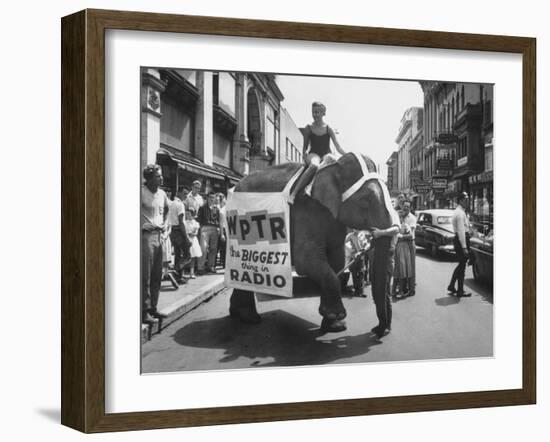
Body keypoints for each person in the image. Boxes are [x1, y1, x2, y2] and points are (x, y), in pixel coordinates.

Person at [289, 101, 346, 202]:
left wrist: (348, 155)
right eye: (313, 112)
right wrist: (305, 156)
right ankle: (294, 193)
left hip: (326, 155)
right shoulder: (308, 128)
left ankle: (310, 187)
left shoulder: (329, 129)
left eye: (317, 112)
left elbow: (338, 147)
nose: (314, 115)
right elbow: (305, 147)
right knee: (314, 165)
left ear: (323, 113)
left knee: (331, 158)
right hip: (314, 154)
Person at [141, 164, 170, 324]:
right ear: (150, 178)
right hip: (145, 236)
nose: (161, 178)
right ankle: (143, 311)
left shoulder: (162, 194)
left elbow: (166, 210)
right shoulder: (140, 192)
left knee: (157, 274)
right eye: (158, 176)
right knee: (145, 275)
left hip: (160, 236)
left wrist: (165, 223)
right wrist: (140, 225)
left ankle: (153, 307)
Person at [370, 223, 400, 338]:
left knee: (384, 294)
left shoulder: (392, 221)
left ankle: (386, 324)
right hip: (379, 260)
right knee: (380, 294)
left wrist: (379, 233)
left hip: (387, 260)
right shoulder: (384, 223)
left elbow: (397, 229)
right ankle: (384, 323)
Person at [448, 192, 472, 297]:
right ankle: (459, 290)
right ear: (461, 200)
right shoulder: (459, 213)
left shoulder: (460, 212)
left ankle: (453, 286)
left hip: (460, 239)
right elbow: (461, 231)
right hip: (461, 240)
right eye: (466, 200)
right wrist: (464, 247)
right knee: (462, 266)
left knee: (461, 265)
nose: (467, 202)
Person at [167, 188, 191, 284]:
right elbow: (181, 222)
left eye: (187, 194)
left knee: (178, 254)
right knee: (187, 256)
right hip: (179, 231)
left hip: (173, 230)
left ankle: (179, 277)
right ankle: (176, 271)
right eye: (184, 193)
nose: (186, 195)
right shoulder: (180, 204)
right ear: (178, 193)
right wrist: (186, 237)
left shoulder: (171, 203)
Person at [197, 192, 222, 274]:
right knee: (203, 248)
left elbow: (219, 220)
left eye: (213, 197)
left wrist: (218, 229)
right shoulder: (202, 207)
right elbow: (199, 219)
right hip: (205, 228)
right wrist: (201, 229)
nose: (212, 199)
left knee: (213, 249)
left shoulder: (216, 209)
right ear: (207, 198)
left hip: (214, 228)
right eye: (210, 197)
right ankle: (200, 267)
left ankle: (210, 266)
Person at [393, 211, 414, 298]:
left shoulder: (405, 225)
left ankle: (401, 290)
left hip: (404, 247)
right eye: (399, 217)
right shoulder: (394, 226)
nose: (400, 219)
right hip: (397, 247)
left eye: (401, 217)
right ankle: (394, 290)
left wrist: (402, 236)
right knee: (398, 269)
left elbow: (410, 235)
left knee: (404, 269)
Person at [344, 229, 368, 297]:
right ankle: (356, 290)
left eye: (357, 228)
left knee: (361, 273)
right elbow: (344, 243)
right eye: (354, 228)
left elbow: (366, 244)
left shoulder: (362, 235)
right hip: (353, 257)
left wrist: (364, 250)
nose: (356, 230)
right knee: (354, 274)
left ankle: (361, 291)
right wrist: (350, 250)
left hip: (361, 257)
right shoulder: (350, 236)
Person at [400, 200, 417, 295]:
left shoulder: (412, 218)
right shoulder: (401, 217)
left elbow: (411, 233)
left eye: (407, 207)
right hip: (403, 244)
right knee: (404, 267)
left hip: (410, 243)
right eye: (404, 206)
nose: (405, 208)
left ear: (410, 208)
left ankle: (411, 289)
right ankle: (404, 287)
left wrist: (401, 236)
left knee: (411, 267)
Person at [184, 207, 202, 279]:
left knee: (193, 257)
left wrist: (191, 233)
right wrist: (187, 234)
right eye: (186, 214)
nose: (187, 215)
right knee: (186, 256)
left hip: (193, 241)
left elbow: (195, 233)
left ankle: (192, 272)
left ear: (192, 214)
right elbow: (184, 232)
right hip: (186, 240)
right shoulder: (184, 222)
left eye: (188, 214)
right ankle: (183, 273)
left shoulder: (196, 223)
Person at [216, 193, 227, 269]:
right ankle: (223, 264)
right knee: (223, 248)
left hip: (226, 229)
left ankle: (224, 263)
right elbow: (221, 223)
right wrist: (222, 234)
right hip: (223, 229)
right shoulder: (221, 210)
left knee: (224, 248)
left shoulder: (225, 209)